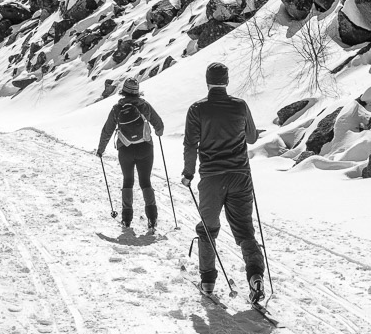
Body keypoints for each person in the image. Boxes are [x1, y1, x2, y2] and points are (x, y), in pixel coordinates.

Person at [181, 62, 266, 303]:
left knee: (208, 229)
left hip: (211, 179)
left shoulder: (197, 109)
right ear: (227, 82)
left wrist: (188, 173)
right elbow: (251, 137)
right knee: (245, 231)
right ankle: (256, 277)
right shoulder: (240, 106)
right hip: (240, 177)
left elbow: (190, 144)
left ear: (207, 82)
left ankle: (207, 282)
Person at [97, 77, 165, 231]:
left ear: (124, 91)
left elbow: (107, 130)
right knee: (145, 182)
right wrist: (158, 132)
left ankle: (126, 220)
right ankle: (152, 219)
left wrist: (101, 150)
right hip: (145, 148)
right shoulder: (144, 106)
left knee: (128, 181)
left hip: (125, 149)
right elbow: (159, 125)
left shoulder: (116, 109)